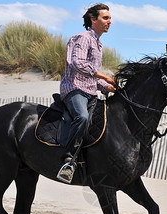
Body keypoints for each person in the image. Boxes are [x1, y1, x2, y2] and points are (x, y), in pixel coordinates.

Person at [57, 3, 116, 183]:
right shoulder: (81, 38)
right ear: (93, 19)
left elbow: (93, 78)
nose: (109, 22)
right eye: (105, 18)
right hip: (74, 89)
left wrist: (107, 87)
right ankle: (68, 160)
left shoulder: (99, 45)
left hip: (91, 92)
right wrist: (104, 76)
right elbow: (77, 63)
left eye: (110, 18)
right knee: (82, 117)